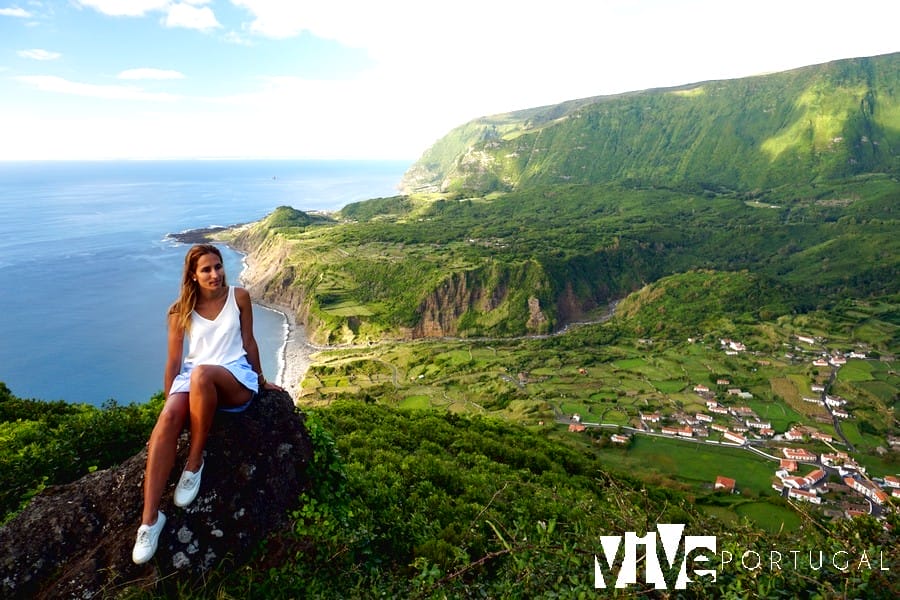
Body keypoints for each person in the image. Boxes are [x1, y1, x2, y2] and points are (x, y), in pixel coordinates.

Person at [132, 243, 283, 565]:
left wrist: (261, 379)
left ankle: (195, 460)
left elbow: (249, 341)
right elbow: (173, 363)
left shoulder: (238, 297)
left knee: (201, 374)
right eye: (206, 269)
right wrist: (167, 405)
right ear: (193, 275)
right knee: (170, 418)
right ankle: (149, 520)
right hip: (194, 377)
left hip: (234, 378)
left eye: (218, 266)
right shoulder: (178, 311)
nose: (215, 274)